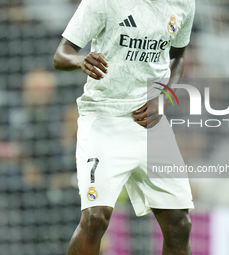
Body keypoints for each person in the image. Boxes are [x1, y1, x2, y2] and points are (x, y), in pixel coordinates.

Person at [53, 0, 196, 254]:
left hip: (150, 123)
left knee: (180, 224)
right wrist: (80, 60)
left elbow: (178, 56)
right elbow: (61, 54)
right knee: (95, 219)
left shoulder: (184, 4)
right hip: (104, 119)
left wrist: (164, 98)